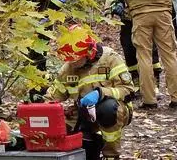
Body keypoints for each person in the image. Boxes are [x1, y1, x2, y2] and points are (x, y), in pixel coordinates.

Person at [45, 25, 134, 160]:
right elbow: (54, 96)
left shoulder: (110, 58)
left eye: (76, 59)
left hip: (114, 108)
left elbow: (128, 91)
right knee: (61, 128)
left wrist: (100, 93)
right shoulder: (68, 68)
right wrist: (38, 109)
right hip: (82, 112)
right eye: (70, 60)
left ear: (89, 51)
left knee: (108, 110)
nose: (73, 63)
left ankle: (111, 155)